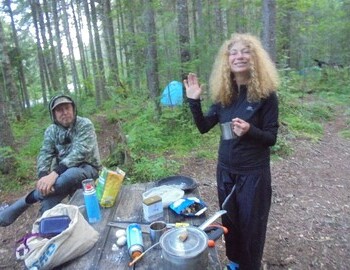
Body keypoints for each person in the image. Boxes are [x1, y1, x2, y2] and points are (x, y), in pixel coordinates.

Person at [184, 33, 279, 270]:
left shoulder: (266, 95)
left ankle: (251, 266)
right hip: (226, 171)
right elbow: (204, 127)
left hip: (253, 174)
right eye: (233, 52)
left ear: (254, 57)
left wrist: (250, 130)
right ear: (227, 60)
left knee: (252, 226)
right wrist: (194, 101)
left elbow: (271, 138)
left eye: (245, 51)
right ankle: (235, 263)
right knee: (231, 222)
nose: (239, 56)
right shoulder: (224, 95)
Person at [0, 94, 102, 227]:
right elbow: (45, 153)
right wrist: (43, 177)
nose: (64, 112)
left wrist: (54, 174)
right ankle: (50, 236)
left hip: (87, 169)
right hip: (61, 176)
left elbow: (81, 152)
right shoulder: (51, 131)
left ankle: (29, 199)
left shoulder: (84, 124)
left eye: (67, 108)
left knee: (69, 175)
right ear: (53, 114)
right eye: (60, 110)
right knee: (47, 204)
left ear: (73, 109)